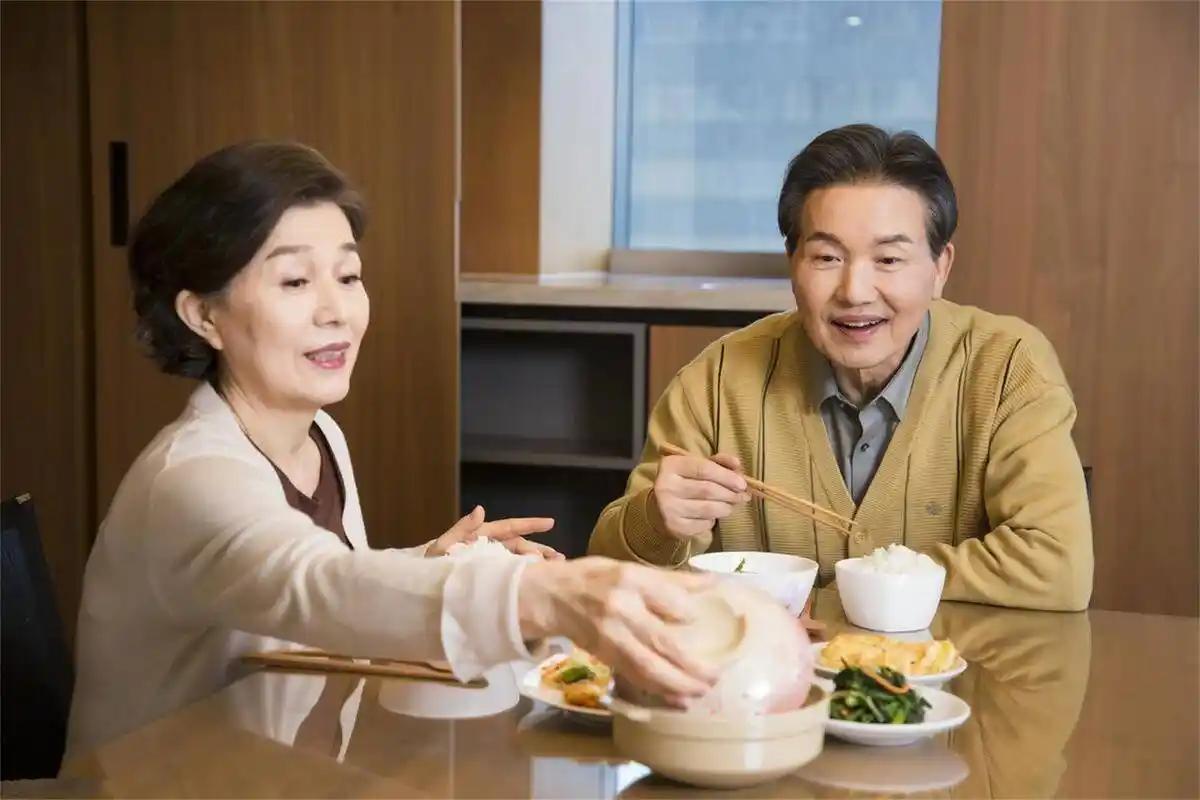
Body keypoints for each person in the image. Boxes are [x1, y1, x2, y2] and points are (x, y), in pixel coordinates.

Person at [67, 142, 718, 756]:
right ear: (203, 315)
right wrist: (543, 593)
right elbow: (314, 585)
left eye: (348, 275)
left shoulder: (319, 436)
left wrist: (430, 562)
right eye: (294, 282)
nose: (337, 311)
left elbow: (315, 587)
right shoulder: (191, 478)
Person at [589, 124, 1093, 612]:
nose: (855, 292)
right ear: (792, 263)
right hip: (771, 669)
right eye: (827, 257)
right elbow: (609, 577)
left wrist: (869, 581)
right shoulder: (715, 381)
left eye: (888, 260)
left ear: (940, 268)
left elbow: (1057, 565)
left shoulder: (1006, 368)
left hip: (956, 669)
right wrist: (656, 521)